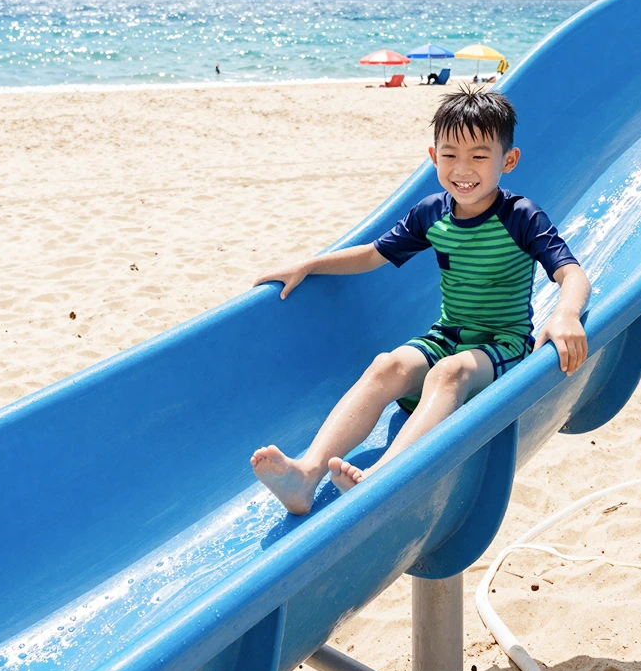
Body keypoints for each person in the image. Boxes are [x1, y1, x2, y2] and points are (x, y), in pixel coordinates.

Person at [248, 87, 590, 515]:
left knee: (450, 372)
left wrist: (566, 313)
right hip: (446, 336)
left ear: (509, 160)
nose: (462, 170)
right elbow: (374, 253)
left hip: (501, 347)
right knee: (386, 365)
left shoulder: (520, 216)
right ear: (433, 156)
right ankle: (306, 475)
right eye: (450, 156)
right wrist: (310, 265)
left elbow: (570, 272)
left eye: (479, 157)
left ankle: (382, 479)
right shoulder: (432, 213)